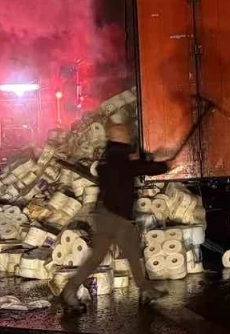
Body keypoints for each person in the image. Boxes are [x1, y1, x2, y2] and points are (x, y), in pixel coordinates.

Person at [61, 124, 172, 312]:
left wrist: (147, 159)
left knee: (106, 255)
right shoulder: (122, 160)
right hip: (116, 216)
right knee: (131, 253)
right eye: (127, 136)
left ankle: (70, 291)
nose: (130, 138)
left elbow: (134, 165)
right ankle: (145, 290)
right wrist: (163, 164)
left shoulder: (110, 159)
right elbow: (146, 168)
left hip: (104, 214)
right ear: (122, 139)